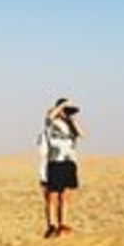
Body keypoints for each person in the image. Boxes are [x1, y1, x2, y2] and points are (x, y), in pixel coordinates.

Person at [40, 97, 84, 237]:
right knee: (53, 196)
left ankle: (63, 224)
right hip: (55, 162)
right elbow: (50, 116)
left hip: (69, 163)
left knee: (65, 196)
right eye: (65, 109)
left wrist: (71, 119)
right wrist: (62, 106)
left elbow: (82, 134)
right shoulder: (51, 123)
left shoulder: (71, 124)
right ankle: (52, 226)